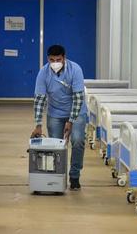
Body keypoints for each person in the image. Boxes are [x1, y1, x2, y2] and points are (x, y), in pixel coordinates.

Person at [31, 44, 88, 191]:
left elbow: (78, 97)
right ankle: (57, 177)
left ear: (64, 58)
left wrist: (71, 121)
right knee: (56, 146)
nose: (55, 63)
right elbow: (40, 99)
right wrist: (38, 124)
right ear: (48, 59)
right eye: (52, 59)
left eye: (58, 59)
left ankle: (74, 176)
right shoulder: (43, 73)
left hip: (76, 111)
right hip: (55, 113)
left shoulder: (75, 70)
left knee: (77, 140)